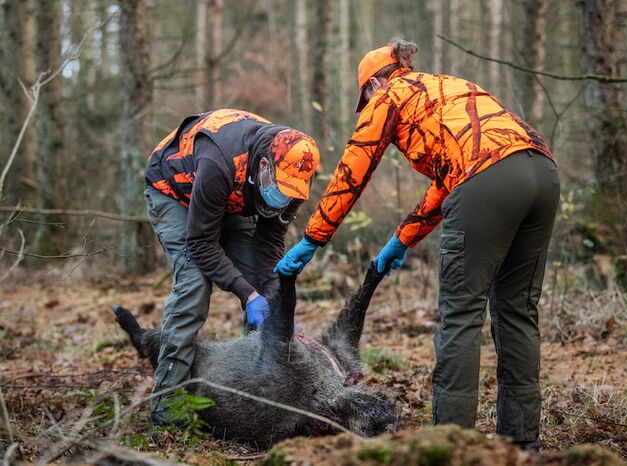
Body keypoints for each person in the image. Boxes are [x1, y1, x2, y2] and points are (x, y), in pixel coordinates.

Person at [276, 40, 559, 450]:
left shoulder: (387, 96)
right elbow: (451, 177)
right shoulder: (449, 86)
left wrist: (313, 237)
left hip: (487, 179)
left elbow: (352, 172)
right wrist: (401, 237)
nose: (368, 104)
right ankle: (521, 446)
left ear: (374, 83)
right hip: (542, 174)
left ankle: (449, 446)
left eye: (365, 97)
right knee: (517, 313)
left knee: (461, 314)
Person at [144, 108, 319, 425]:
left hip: (234, 196)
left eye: (291, 191)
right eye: (280, 187)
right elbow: (200, 243)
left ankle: (256, 390)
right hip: (174, 189)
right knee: (195, 287)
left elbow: (269, 244)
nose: (285, 196)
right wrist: (247, 295)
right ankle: (166, 407)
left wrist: (272, 302)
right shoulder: (218, 162)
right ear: (265, 165)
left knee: (261, 281)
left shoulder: (296, 173)